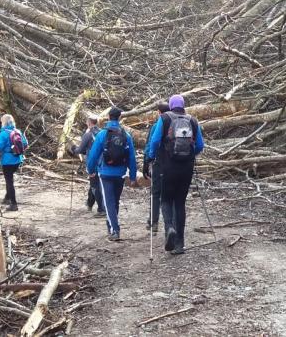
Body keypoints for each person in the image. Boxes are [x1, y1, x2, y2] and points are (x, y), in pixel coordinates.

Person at [146, 94, 204, 255]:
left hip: (167, 167)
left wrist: (151, 156)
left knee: (166, 199)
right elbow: (200, 145)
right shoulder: (192, 120)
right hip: (186, 168)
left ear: (171, 105)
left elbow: (155, 140)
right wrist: (190, 155)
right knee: (180, 202)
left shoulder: (164, 118)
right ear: (183, 105)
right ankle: (180, 244)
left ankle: (169, 228)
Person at [86, 106, 138, 242]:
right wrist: (132, 176)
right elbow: (132, 157)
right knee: (114, 201)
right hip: (120, 173)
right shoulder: (126, 135)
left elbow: (93, 155)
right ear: (120, 117)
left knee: (109, 202)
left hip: (105, 173)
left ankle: (114, 230)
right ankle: (111, 227)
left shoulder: (102, 134)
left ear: (109, 117)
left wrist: (91, 170)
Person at [70, 115, 104, 217]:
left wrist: (73, 149)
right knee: (94, 183)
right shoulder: (102, 132)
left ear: (89, 123)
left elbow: (80, 150)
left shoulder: (88, 135)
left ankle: (101, 209)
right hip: (103, 163)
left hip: (92, 163)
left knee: (95, 185)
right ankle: (90, 203)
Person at [0, 113, 28, 211]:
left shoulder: (3, 133)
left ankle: (13, 204)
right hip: (17, 159)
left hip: (7, 161)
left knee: (9, 182)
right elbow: (25, 144)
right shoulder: (18, 131)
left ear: (3, 122)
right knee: (10, 179)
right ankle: (7, 198)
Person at [145, 102, 170, 232]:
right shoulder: (175, 124)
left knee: (155, 193)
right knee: (169, 194)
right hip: (174, 164)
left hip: (159, 163)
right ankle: (169, 225)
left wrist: (147, 160)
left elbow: (151, 144)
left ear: (159, 112)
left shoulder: (156, 126)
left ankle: (154, 222)